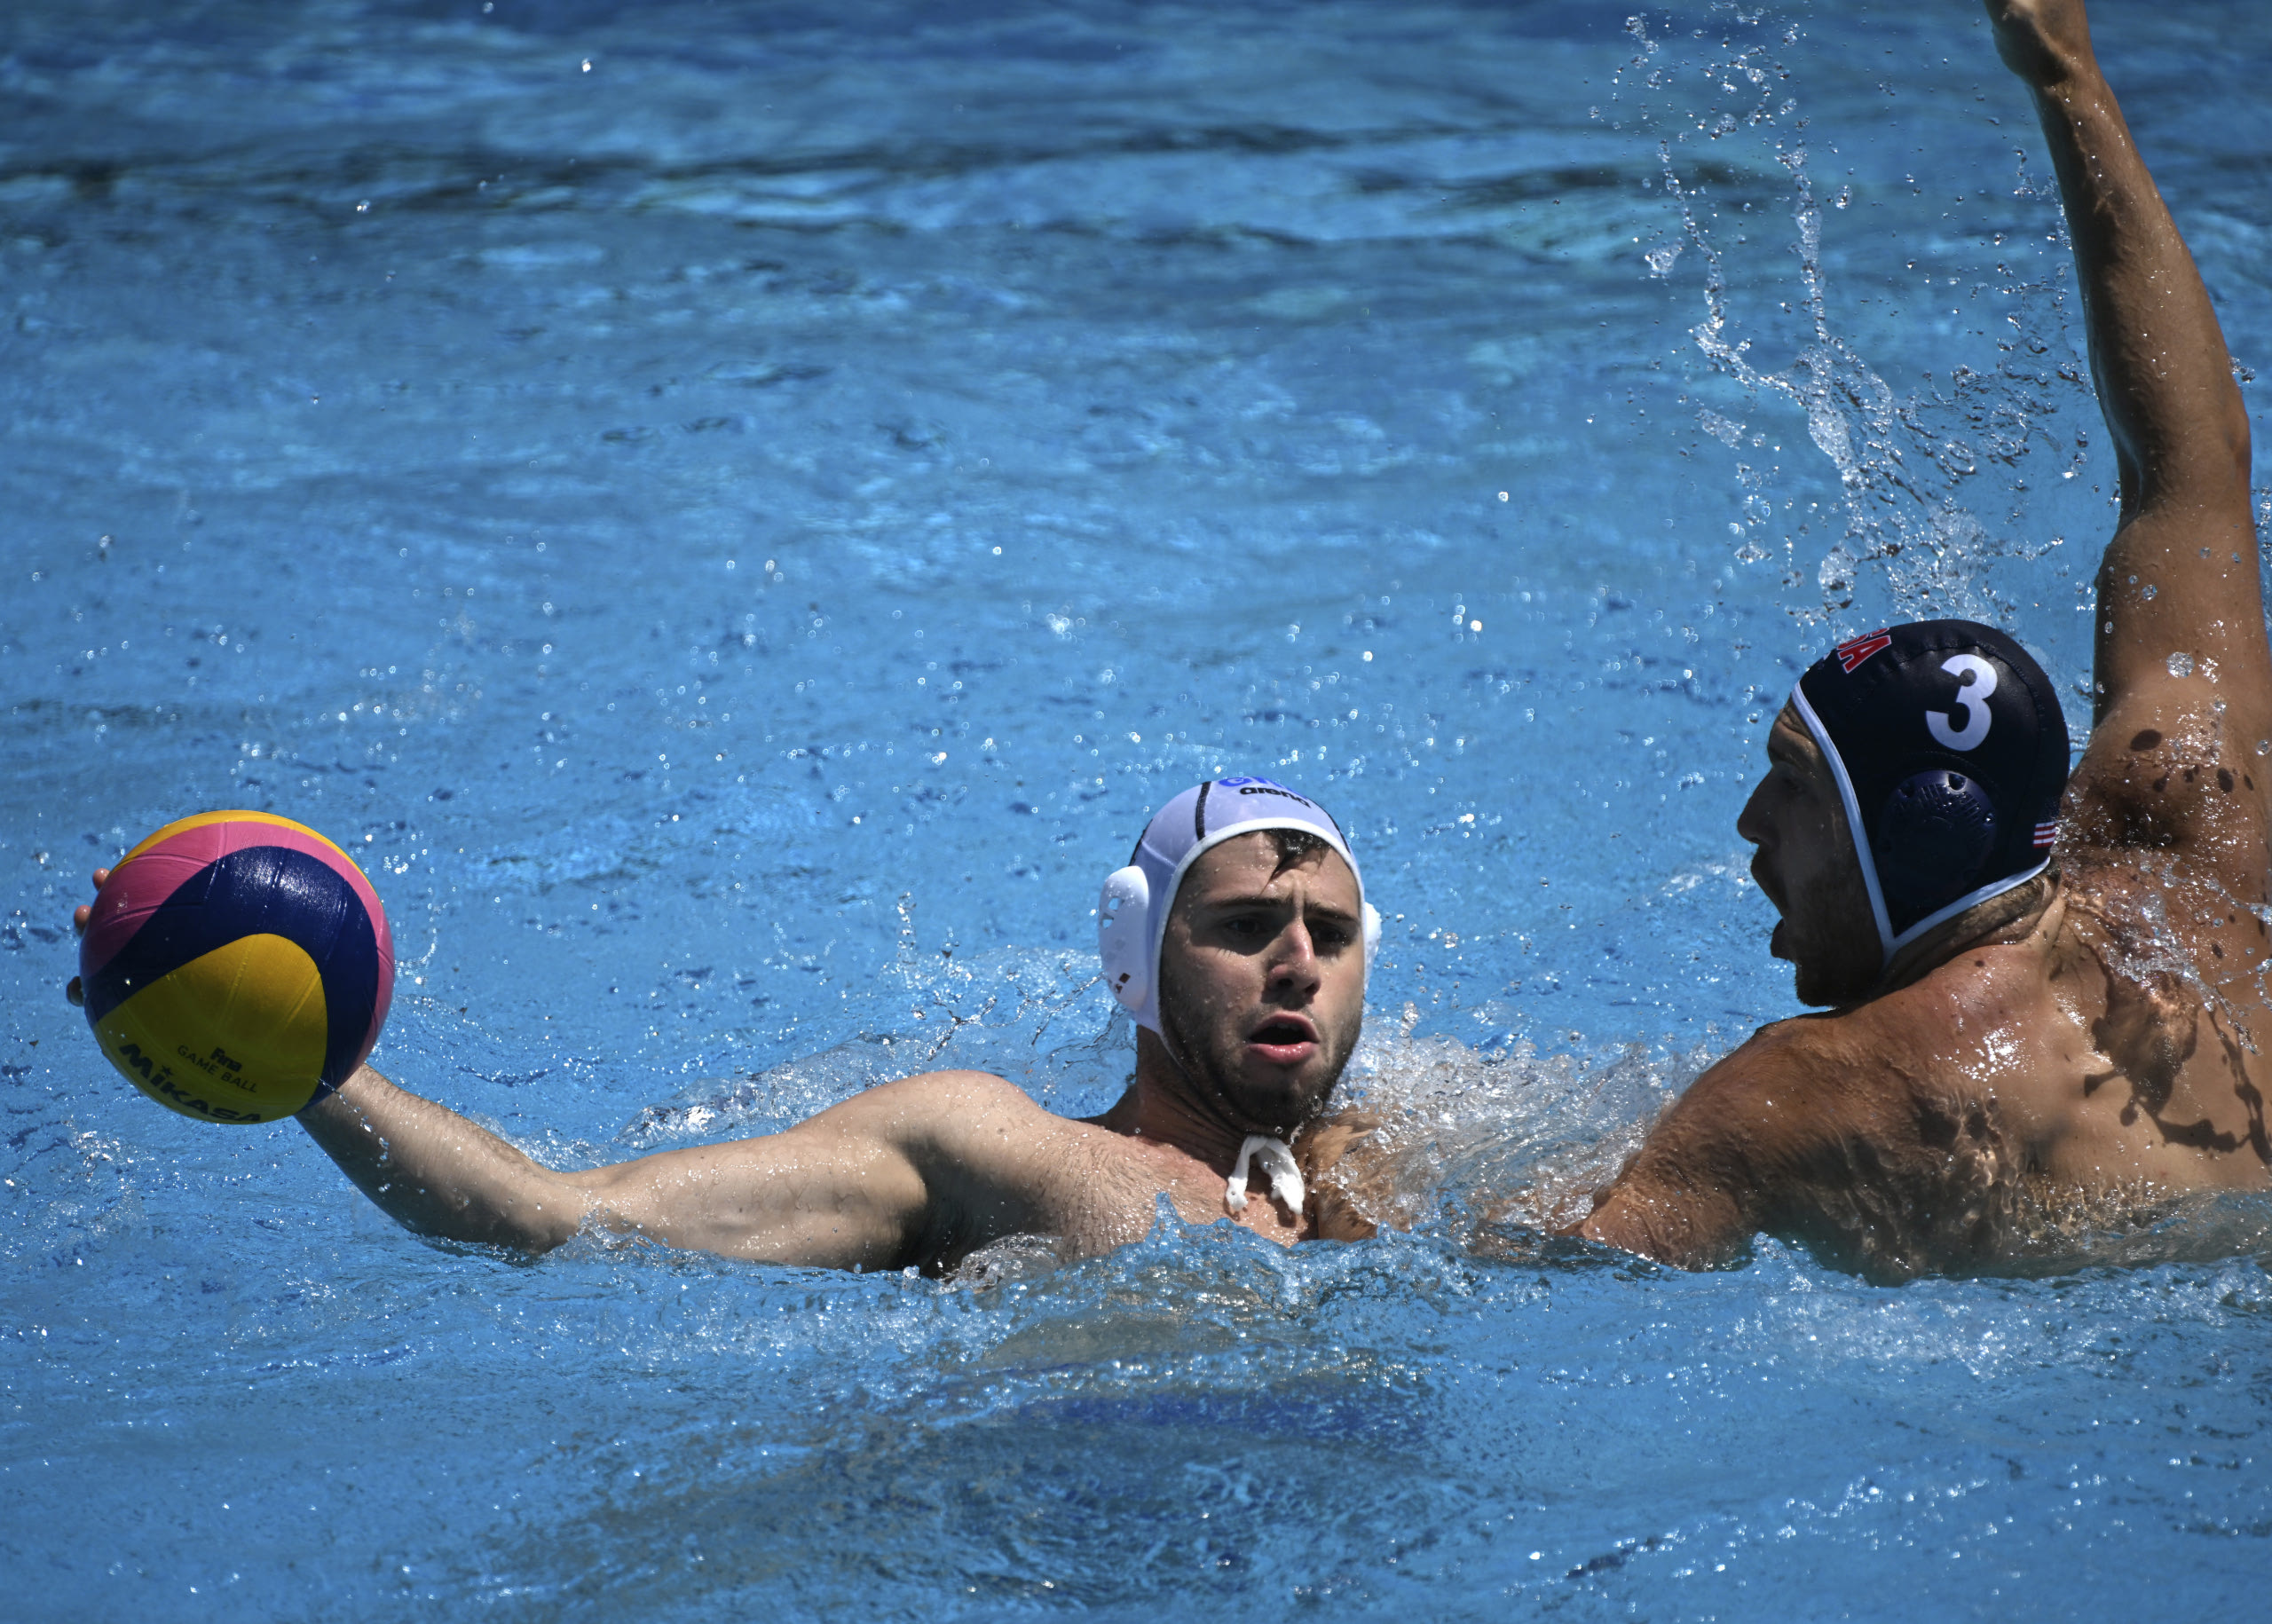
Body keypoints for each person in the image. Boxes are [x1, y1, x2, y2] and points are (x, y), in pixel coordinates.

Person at [1577, 0, 2270, 1277]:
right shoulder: (2195, 868)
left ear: (1923, 836)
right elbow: (2191, 470)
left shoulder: (1815, 1091)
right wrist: (2062, 66)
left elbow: (1539, 1270)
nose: (1748, 825)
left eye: (1796, 789)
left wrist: (1339, 1181)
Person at [68, 779, 1382, 1271]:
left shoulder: (1414, 1155)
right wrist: (309, 1072)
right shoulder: (992, 1149)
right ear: (1135, 961)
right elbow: (557, 1217)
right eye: (1245, 925)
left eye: (1329, 934)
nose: (1296, 964)